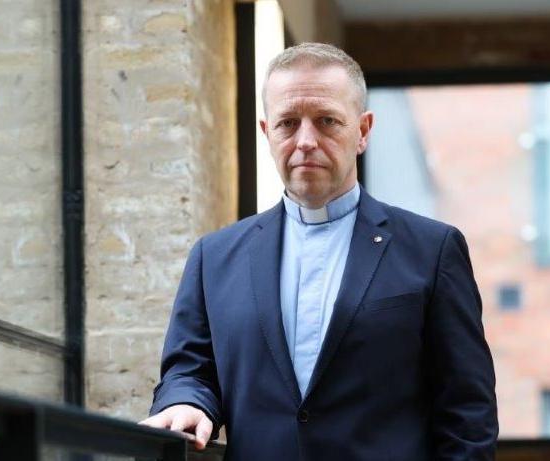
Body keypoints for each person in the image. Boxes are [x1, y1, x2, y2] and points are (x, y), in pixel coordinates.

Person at [140, 42, 498, 460]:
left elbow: (467, 413)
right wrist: (187, 402)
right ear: (266, 132)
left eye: (327, 121)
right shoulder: (214, 258)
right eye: (288, 123)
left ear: (362, 131)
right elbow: (189, 369)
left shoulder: (433, 250)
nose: (306, 140)